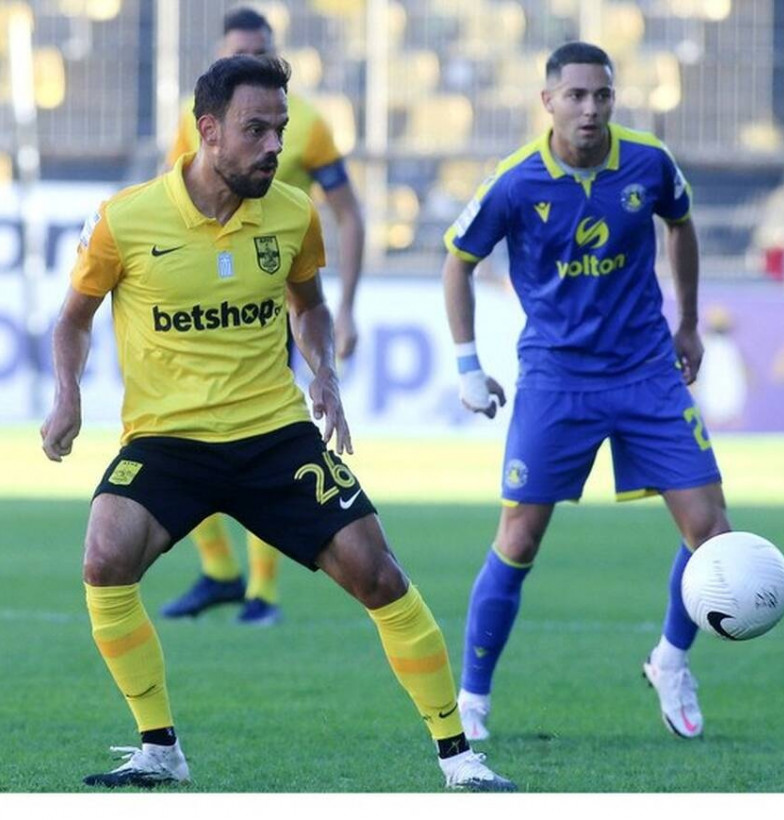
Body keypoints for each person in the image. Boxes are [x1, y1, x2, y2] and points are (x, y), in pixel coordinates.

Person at [40, 54, 514, 792]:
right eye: (255, 130)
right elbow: (73, 319)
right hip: (168, 442)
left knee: (379, 574)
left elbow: (309, 306)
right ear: (208, 131)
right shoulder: (126, 219)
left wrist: (323, 372)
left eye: (280, 130)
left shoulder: (292, 213)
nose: (273, 147)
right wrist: (67, 394)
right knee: (104, 559)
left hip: (273, 437)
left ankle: (460, 758)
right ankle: (159, 748)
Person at [441, 41, 732, 742]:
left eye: (602, 95)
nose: (590, 108)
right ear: (548, 101)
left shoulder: (648, 161)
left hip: (646, 371)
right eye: (575, 95)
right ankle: (471, 700)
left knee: (711, 533)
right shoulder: (515, 182)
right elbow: (458, 261)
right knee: (519, 538)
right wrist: (467, 365)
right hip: (557, 377)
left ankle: (670, 660)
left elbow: (681, 224)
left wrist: (689, 323)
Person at [161, 6, 365, 626]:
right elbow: (171, 202)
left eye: (259, 50)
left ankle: (264, 592)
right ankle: (221, 572)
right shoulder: (193, 122)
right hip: (198, 311)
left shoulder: (307, 125)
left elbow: (348, 213)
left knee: (258, 439)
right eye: (238, 52)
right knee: (177, 434)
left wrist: (346, 307)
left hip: (268, 309)